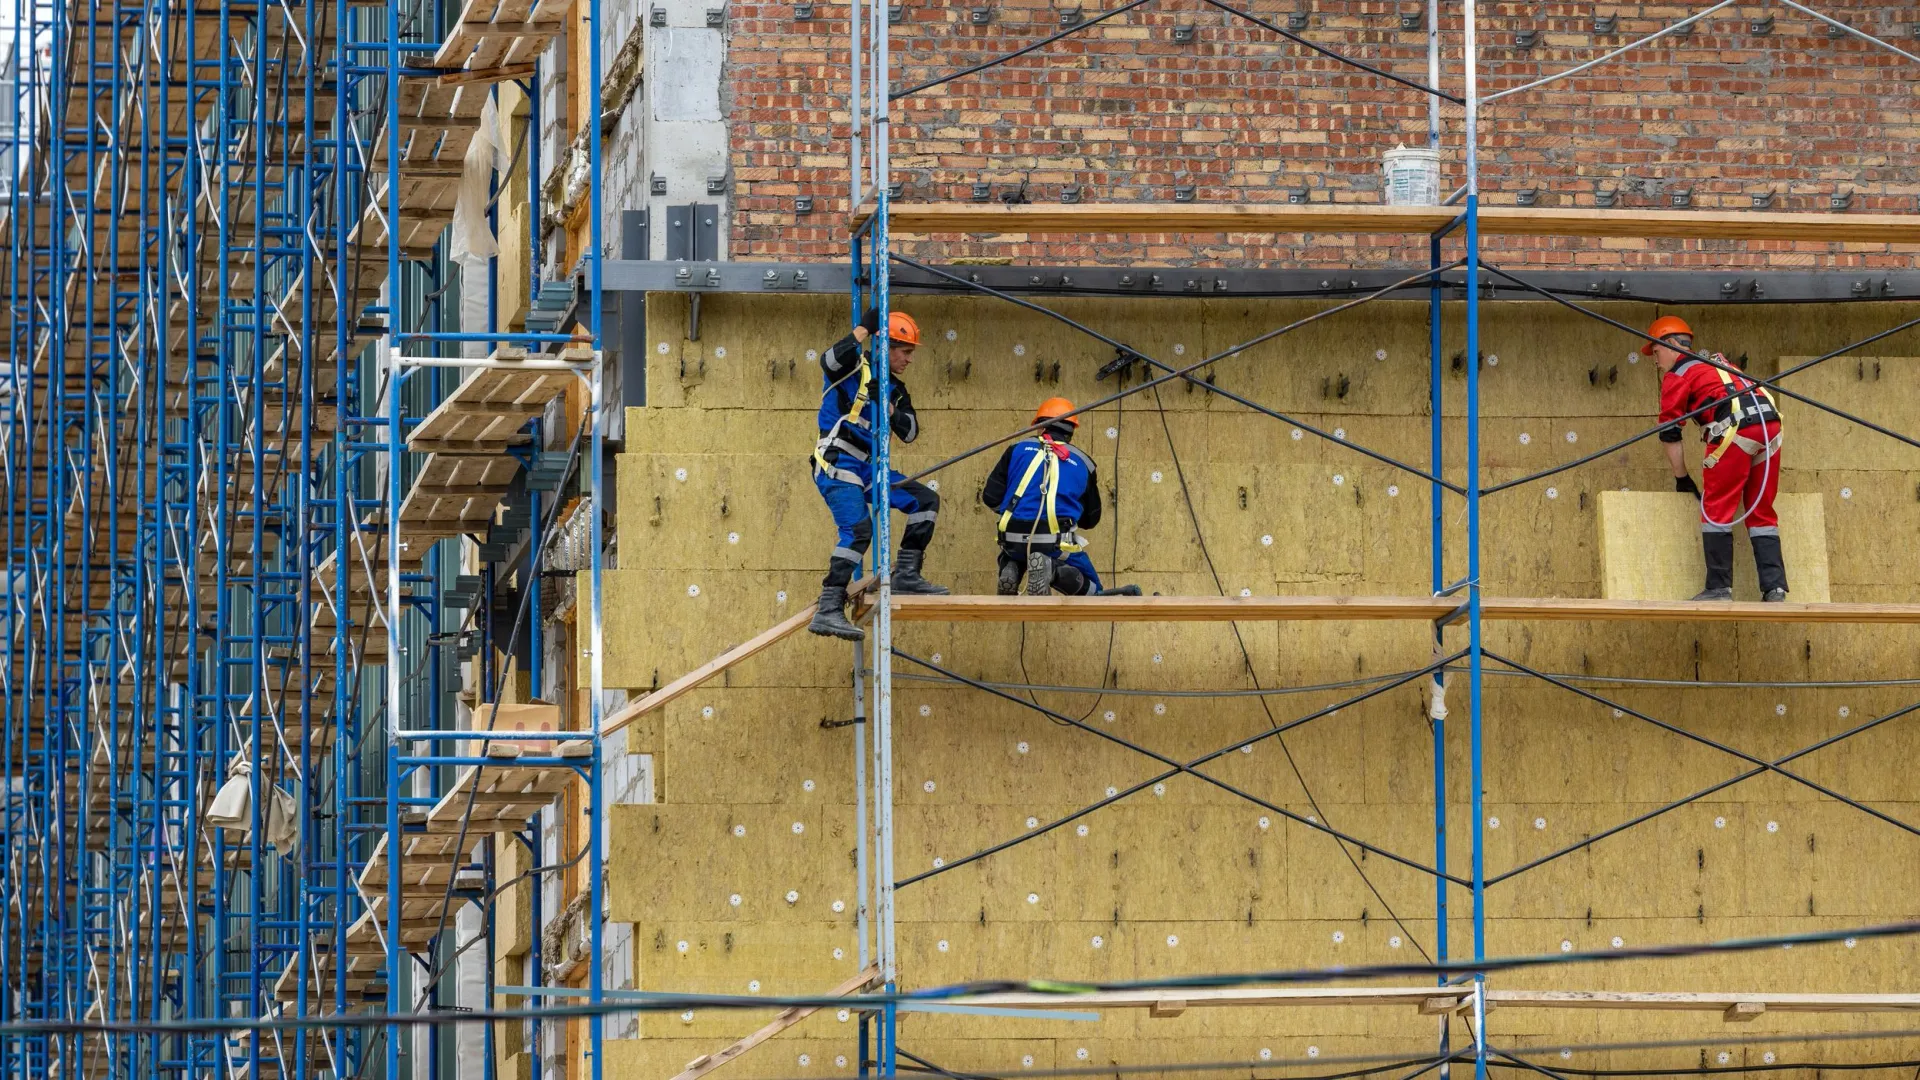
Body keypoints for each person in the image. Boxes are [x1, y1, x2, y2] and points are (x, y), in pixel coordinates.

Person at [806, 306, 949, 641]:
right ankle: (828, 608)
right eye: (905, 351)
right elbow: (828, 360)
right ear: (886, 347)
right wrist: (864, 329)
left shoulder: (896, 390)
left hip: (870, 469)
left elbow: (911, 431)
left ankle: (908, 575)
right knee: (858, 529)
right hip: (838, 462)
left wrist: (889, 407)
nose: (910, 359)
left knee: (925, 501)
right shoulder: (852, 367)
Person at [1647, 315, 1787, 602]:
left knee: (1716, 511)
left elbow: (1670, 432)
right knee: (1761, 511)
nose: (1655, 361)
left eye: (1656, 351)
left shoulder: (1678, 375)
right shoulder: (1719, 365)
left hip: (1734, 431)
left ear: (1672, 344)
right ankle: (1775, 588)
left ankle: (1719, 589)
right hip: (1770, 429)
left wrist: (1682, 478)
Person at [980, 397, 1140, 597]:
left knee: (1018, 550)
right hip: (1053, 542)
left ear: (1039, 426)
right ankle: (1052, 571)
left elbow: (990, 497)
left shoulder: (1016, 450)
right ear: (1071, 431)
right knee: (1093, 589)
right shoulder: (1084, 463)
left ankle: (1012, 566)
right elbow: (1091, 519)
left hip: (1011, 538)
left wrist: (1017, 511)